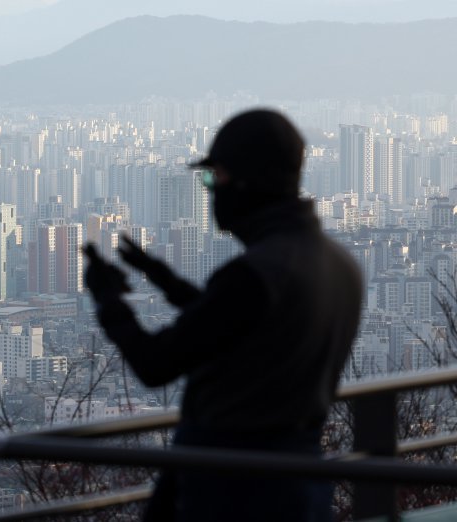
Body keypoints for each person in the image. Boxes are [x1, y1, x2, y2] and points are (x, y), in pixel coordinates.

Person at [82, 109, 363, 521]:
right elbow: (242, 328)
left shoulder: (255, 274)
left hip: (229, 490)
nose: (211, 191)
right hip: (300, 482)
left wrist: (109, 301)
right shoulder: (339, 264)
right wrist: (161, 278)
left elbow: (155, 363)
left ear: (246, 181)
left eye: (215, 178)